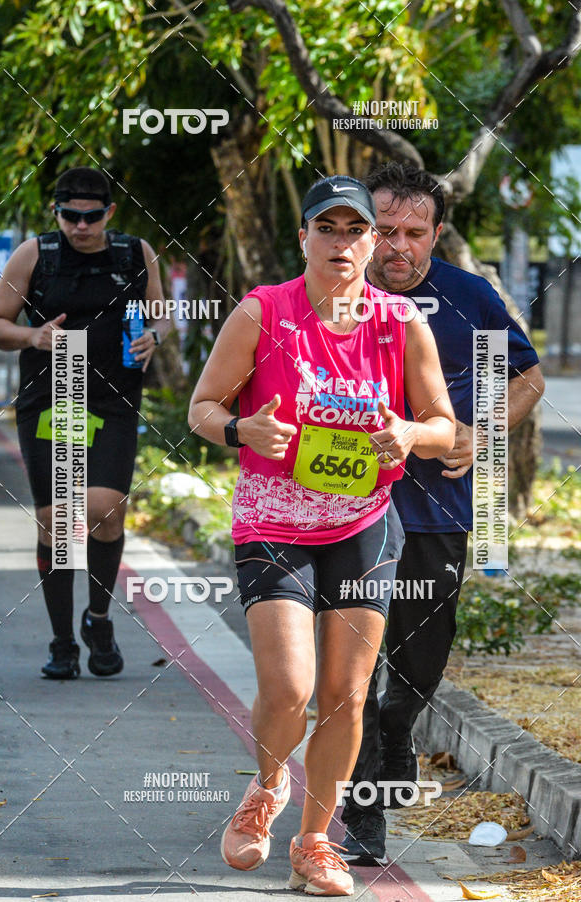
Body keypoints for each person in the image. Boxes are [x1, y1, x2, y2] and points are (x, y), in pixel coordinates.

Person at [188, 174, 455, 896]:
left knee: (344, 692)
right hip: (273, 523)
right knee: (290, 686)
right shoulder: (262, 312)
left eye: (355, 230)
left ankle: (315, 842)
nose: (342, 242)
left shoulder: (400, 321)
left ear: (374, 241)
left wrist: (409, 431)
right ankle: (268, 786)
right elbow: (202, 408)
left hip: (364, 524)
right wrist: (243, 428)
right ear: (303, 237)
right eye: (327, 229)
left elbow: (444, 426)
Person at [341, 162, 545, 863]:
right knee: (353, 671)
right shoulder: (324, 294)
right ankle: (362, 813)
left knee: (419, 662)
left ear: (435, 235)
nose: (397, 247)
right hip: (340, 512)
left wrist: (484, 435)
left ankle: (399, 729)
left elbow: (527, 375)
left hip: (436, 510)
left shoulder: (468, 297)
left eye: (414, 233)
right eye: (383, 230)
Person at [0, 166, 167, 679]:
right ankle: (62, 641)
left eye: (90, 217)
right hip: (52, 400)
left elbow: (162, 314)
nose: (80, 226)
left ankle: (99, 618)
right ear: (55, 212)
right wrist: (33, 338)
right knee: (58, 523)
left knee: (107, 509)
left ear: (109, 213)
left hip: (112, 399)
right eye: (69, 216)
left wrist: (155, 336)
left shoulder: (135, 253)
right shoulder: (35, 255)